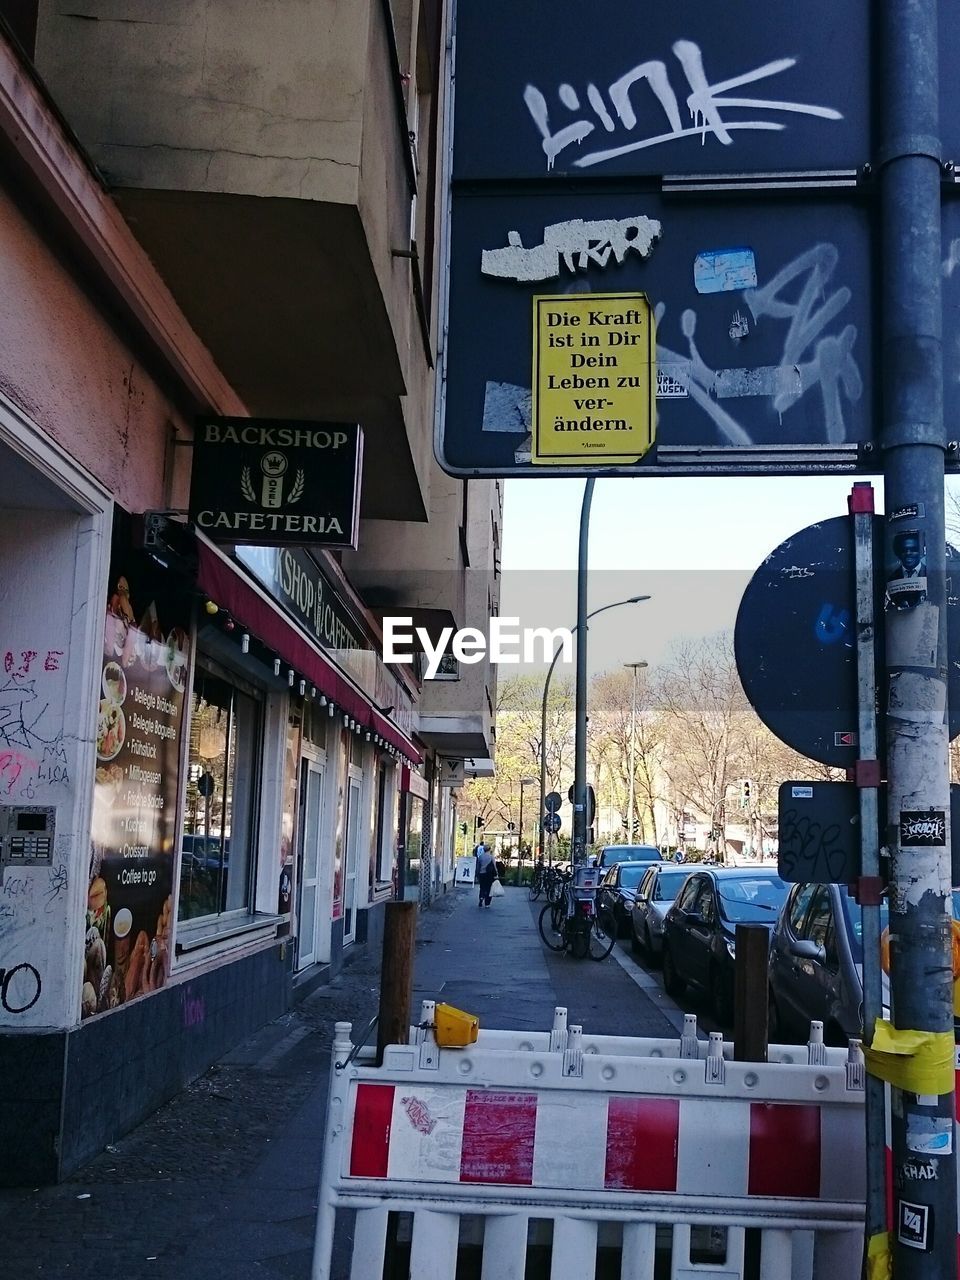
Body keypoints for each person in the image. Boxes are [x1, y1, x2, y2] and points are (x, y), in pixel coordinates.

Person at [474, 840, 497, 908]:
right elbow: (494, 867)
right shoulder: (491, 857)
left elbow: (478, 867)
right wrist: (496, 874)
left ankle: (481, 898)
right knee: (489, 888)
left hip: (482, 874)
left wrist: (477, 875)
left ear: (483, 850)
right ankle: (487, 903)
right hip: (489, 875)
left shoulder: (480, 857)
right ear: (489, 850)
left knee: (482, 887)